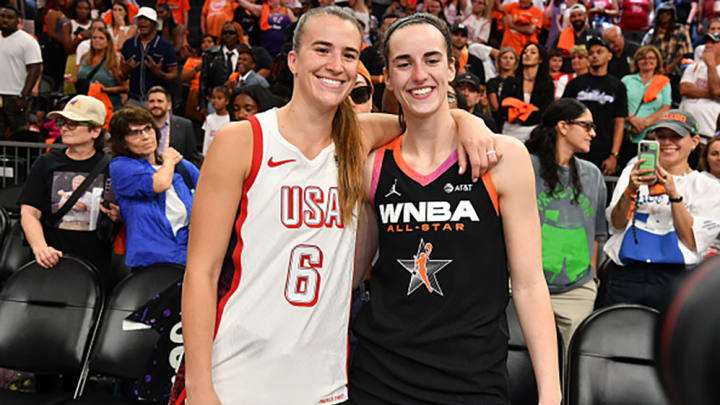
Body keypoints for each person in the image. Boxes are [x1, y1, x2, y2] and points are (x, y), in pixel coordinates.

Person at [172, 7, 498, 405]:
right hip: (238, 371)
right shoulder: (243, 140)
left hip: (324, 383)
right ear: (293, 60)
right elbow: (201, 273)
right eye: (322, 50)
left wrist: (469, 120)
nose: (336, 65)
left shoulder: (358, 138)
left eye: (348, 54)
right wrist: (201, 386)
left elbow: (428, 120)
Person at [349, 13, 561, 404]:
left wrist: (551, 393)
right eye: (403, 63)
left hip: (473, 380)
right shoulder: (372, 165)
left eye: (431, 60)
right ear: (389, 78)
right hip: (380, 378)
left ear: (452, 67)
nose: (418, 75)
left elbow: (530, 285)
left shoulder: (504, 157)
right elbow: (352, 276)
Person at [602, 110, 720, 310]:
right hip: (627, 275)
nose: (667, 142)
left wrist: (674, 194)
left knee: (669, 341)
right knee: (619, 337)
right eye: (661, 136)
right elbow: (616, 223)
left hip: (675, 277)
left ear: (694, 141)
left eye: (676, 136)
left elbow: (691, 241)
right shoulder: (631, 173)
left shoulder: (708, 186)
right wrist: (630, 191)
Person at [525, 98, 607, 353]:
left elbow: (597, 231)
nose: (593, 133)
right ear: (562, 126)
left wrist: (591, 277)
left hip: (576, 290)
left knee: (573, 369)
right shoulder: (525, 165)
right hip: (525, 286)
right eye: (587, 126)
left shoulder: (592, 174)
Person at [19, 95, 120, 281]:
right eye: (62, 122)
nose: (65, 128)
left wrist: (120, 215)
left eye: (73, 123)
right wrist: (41, 248)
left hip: (96, 264)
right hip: (50, 259)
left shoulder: (113, 166)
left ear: (95, 130)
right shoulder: (46, 163)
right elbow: (29, 212)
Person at [109, 105, 199, 269]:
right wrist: (169, 161)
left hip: (190, 254)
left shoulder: (181, 165)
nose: (145, 137)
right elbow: (160, 183)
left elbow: (208, 191)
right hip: (152, 260)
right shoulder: (121, 167)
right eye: (134, 133)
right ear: (122, 142)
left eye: (148, 129)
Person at [563, 37, 628, 175]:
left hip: (604, 149)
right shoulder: (575, 84)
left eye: (599, 52)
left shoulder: (618, 86)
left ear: (609, 56)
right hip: (575, 148)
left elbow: (620, 122)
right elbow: (563, 118)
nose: (594, 56)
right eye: (591, 53)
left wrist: (614, 155)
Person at [119, 7, 178, 103]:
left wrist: (159, 73)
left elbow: (174, 75)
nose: (142, 22)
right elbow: (121, 76)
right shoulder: (129, 44)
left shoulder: (165, 45)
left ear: (154, 24)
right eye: (140, 19)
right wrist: (126, 70)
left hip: (157, 101)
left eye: (146, 20)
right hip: (134, 99)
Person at [0, 5, 42, 138]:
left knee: (19, 134)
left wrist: (24, 95)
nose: (5, 20)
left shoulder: (28, 41)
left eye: (10, 17)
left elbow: (35, 69)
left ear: (18, 20)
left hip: (16, 95)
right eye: (2, 16)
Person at [499, 42, 554, 141]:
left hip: (536, 131)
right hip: (510, 130)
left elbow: (545, 112)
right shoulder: (511, 81)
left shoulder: (547, 84)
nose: (527, 54)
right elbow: (503, 108)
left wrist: (517, 110)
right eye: (525, 52)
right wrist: (529, 110)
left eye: (533, 52)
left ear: (540, 59)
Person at [622, 45, 671, 151]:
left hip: (651, 135)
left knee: (647, 165)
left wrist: (645, 123)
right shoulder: (627, 80)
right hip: (628, 132)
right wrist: (633, 120)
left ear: (657, 61)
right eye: (642, 58)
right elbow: (619, 104)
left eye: (651, 58)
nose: (647, 61)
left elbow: (665, 108)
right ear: (637, 61)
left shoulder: (663, 81)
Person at [642, 3, 692, 103]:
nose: (664, 16)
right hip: (655, 71)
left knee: (673, 98)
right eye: (662, 13)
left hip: (674, 71)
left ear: (672, 15)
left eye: (667, 13)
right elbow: (644, 50)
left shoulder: (680, 30)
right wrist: (658, 68)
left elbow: (684, 51)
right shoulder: (653, 32)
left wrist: (670, 67)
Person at [146, 86, 203, 167]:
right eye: (152, 101)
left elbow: (193, 158)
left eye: (160, 101)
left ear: (169, 105)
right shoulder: (142, 127)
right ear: (147, 105)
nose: (155, 105)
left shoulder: (185, 125)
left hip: (176, 175)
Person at [74, 27, 128, 110]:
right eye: (94, 38)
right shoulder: (84, 57)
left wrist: (105, 89)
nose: (96, 40)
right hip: (86, 105)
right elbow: (79, 79)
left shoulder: (114, 61)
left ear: (107, 42)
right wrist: (73, 80)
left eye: (101, 38)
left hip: (107, 106)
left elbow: (125, 88)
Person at [679, 33, 720, 141]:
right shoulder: (693, 67)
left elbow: (717, 90)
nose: (708, 45)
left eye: (714, 42)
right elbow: (684, 89)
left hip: (709, 133)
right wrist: (713, 94)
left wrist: (711, 65)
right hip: (684, 132)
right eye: (706, 42)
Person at [554, 4, 599, 72]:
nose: (577, 18)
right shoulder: (562, 35)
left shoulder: (595, 34)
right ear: (570, 19)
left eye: (580, 15)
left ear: (585, 16)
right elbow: (553, 54)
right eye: (573, 16)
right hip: (567, 74)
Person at [487, 46, 517, 123]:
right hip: (498, 119)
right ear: (499, 61)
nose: (508, 60)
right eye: (505, 57)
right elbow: (495, 107)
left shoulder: (520, 81)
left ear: (515, 62)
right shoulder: (491, 82)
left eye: (511, 58)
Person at [202, 86, 231, 156]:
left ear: (226, 101)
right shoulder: (209, 119)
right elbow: (206, 140)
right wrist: (204, 155)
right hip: (210, 155)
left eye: (219, 98)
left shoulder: (230, 119)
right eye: (213, 98)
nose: (215, 101)